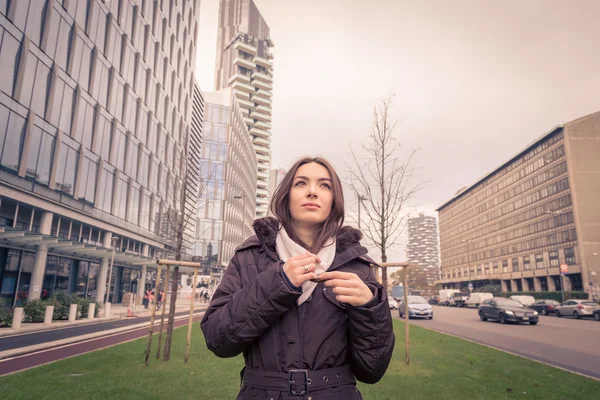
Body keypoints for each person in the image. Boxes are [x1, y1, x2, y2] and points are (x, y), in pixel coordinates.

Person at [201, 157, 394, 399]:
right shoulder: (248, 257)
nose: (312, 192)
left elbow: (372, 370)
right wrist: (279, 281)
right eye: (301, 183)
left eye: (325, 185)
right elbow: (218, 339)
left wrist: (370, 308)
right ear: (286, 195)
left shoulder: (357, 267)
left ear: (334, 200)